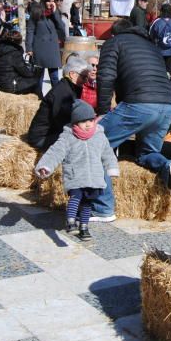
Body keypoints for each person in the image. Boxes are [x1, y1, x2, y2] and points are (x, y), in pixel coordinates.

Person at [95, 18, 171, 219]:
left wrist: (102, 111)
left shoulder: (114, 42)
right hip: (167, 105)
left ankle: (103, 208)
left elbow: (106, 77)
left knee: (95, 144)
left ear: (114, 33)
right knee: (146, 153)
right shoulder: (151, 46)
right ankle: (167, 165)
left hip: (140, 103)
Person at [34, 101, 120, 242]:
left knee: (87, 203)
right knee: (76, 197)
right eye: (83, 121)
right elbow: (55, 152)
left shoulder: (99, 136)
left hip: (95, 177)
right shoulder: (68, 137)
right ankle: (71, 221)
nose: (88, 124)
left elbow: (108, 153)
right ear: (75, 122)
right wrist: (46, 166)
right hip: (76, 175)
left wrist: (112, 168)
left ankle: (84, 227)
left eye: (91, 120)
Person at [25, 54, 90, 153]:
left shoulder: (70, 88)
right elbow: (62, 121)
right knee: (81, 140)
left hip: (52, 132)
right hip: (42, 138)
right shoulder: (63, 92)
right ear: (72, 74)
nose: (86, 81)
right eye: (84, 77)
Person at [26, 0, 68, 89]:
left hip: (52, 48)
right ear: (44, 1)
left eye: (53, 1)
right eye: (49, 1)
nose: (51, 3)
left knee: (54, 76)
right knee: (38, 76)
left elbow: (62, 27)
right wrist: (29, 47)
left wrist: (55, 13)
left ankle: (56, 98)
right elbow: (30, 30)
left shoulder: (56, 12)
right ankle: (38, 98)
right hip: (39, 47)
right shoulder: (36, 11)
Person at [0, 30, 42, 96]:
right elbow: (24, 72)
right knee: (35, 82)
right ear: (18, 42)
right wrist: (35, 74)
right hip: (7, 86)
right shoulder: (15, 53)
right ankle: (41, 103)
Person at [149, 3, 171, 75]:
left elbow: (151, 36)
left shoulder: (157, 22)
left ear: (162, 11)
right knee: (170, 67)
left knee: (160, 68)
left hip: (159, 50)